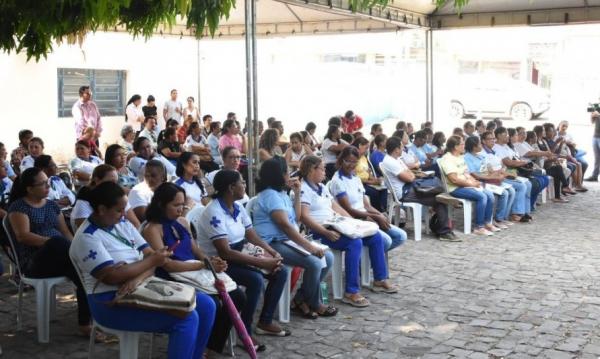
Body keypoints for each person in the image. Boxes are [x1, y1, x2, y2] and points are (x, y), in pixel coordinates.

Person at [69, 181, 215, 358]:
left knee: (207, 305)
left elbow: (152, 260)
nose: (124, 214)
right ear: (101, 209)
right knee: (186, 320)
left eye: (125, 209)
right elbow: (111, 277)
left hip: (141, 285)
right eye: (119, 210)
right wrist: (150, 261)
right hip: (109, 301)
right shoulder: (87, 237)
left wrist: (136, 276)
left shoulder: (122, 224)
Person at [141, 182, 245, 354]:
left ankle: (212, 347)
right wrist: (203, 265)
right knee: (212, 304)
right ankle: (198, 348)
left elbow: (196, 250)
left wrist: (212, 262)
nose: (180, 209)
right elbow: (168, 265)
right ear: (160, 204)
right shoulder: (152, 229)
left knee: (237, 296)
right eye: (175, 205)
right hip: (172, 276)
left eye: (182, 204)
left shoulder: (182, 222)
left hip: (194, 271)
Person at [197, 170, 290, 344]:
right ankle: (244, 332)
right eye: (242, 182)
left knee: (281, 271)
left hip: (240, 250)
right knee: (255, 279)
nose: (245, 185)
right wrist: (263, 262)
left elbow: (252, 235)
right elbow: (225, 252)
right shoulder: (214, 212)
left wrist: (271, 252)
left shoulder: (237, 207)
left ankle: (265, 321)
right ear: (231, 188)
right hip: (220, 261)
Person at [299, 155, 396, 307]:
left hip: (337, 224)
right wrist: (325, 232)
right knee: (354, 243)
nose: (325, 171)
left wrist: (354, 222)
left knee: (375, 237)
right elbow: (304, 217)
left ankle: (380, 279)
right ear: (312, 170)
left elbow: (336, 208)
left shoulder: (322, 187)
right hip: (321, 231)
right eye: (322, 169)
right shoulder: (304, 189)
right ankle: (351, 291)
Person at [8, 168, 92, 337]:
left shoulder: (52, 205)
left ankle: (85, 324)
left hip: (60, 257)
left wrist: (73, 246)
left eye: (48, 182)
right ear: (29, 188)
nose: (48, 186)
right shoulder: (19, 207)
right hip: (34, 261)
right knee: (61, 244)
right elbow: (23, 236)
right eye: (43, 184)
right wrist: (52, 242)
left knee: (83, 272)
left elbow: (65, 232)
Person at [253, 158, 337, 319]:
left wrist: (297, 193)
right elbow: (285, 226)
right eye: (286, 172)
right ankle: (315, 302)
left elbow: (296, 218)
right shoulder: (271, 195)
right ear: (279, 174)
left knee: (329, 257)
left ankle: (300, 299)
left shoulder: (281, 192)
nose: (289, 175)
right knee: (314, 262)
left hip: (285, 239)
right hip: (271, 243)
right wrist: (309, 246)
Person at [330, 147, 406, 251]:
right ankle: (367, 262)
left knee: (400, 236)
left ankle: (369, 261)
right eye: (347, 161)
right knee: (386, 241)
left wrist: (379, 214)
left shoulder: (355, 177)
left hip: (365, 216)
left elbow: (367, 206)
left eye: (354, 162)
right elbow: (349, 210)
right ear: (341, 160)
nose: (351, 165)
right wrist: (374, 217)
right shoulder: (338, 181)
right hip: (353, 220)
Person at [380, 136, 456, 241]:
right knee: (439, 198)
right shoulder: (390, 161)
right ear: (396, 149)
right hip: (404, 193)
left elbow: (410, 174)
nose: (403, 149)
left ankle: (441, 228)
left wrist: (410, 175)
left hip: (409, 187)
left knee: (439, 195)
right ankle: (443, 231)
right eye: (401, 147)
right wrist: (410, 175)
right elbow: (409, 177)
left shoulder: (397, 159)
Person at [439, 136, 499, 236]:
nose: (464, 146)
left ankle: (487, 222)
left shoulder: (460, 157)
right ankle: (478, 227)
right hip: (455, 188)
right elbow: (454, 179)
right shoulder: (447, 159)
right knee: (482, 196)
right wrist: (471, 184)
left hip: (466, 185)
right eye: (462, 144)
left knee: (490, 195)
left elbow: (466, 173)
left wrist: (474, 182)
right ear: (455, 147)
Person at [480, 131, 532, 223]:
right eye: (490, 139)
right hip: (493, 178)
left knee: (526, 183)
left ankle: (519, 212)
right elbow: (489, 170)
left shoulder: (494, 151)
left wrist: (506, 172)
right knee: (520, 186)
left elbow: (502, 165)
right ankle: (513, 214)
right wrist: (504, 173)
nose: (492, 141)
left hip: (502, 175)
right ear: (483, 141)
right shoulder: (483, 153)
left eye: (493, 139)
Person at [463, 136, 516, 225]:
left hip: (488, 180)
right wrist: (493, 177)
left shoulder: (480, 156)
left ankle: (501, 217)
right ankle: (496, 219)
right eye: (479, 144)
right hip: (480, 182)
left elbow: (489, 170)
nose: (481, 145)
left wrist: (499, 173)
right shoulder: (467, 157)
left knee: (511, 190)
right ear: (474, 147)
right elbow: (474, 174)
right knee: (504, 193)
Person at [71, 164, 140, 231]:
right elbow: (86, 232)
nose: (114, 186)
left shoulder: (117, 197)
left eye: (116, 182)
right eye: (111, 182)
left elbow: (136, 224)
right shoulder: (83, 203)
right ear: (97, 180)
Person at [518, 130, 570, 203]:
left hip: (538, 166)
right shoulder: (518, 145)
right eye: (521, 133)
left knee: (558, 168)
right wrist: (545, 154)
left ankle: (562, 189)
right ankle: (563, 189)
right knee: (556, 171)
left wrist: (547, 155)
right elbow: (530, 153)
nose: (524, 135)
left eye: (525, 133)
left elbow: (536, 153)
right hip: (531, 168)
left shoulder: (525, 143)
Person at [351, 137, 387, 212]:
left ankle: (384, 209)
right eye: (366, 148)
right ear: (360, 145)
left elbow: (367, 172)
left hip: (367, 181)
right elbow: (354, 177)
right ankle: (377, 211)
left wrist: (374, 179)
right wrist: (371, 182)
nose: (367, 150)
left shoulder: (363, 157)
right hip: (358, 183)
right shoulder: (353, 158)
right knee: (374, 192)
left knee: (384, 188)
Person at [586, 111, 600, 181]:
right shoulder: (598, 110)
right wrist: (592, 116)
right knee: (597, 158)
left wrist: (599, 115)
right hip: (595, 137)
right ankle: (594, 176)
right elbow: (592, 122)